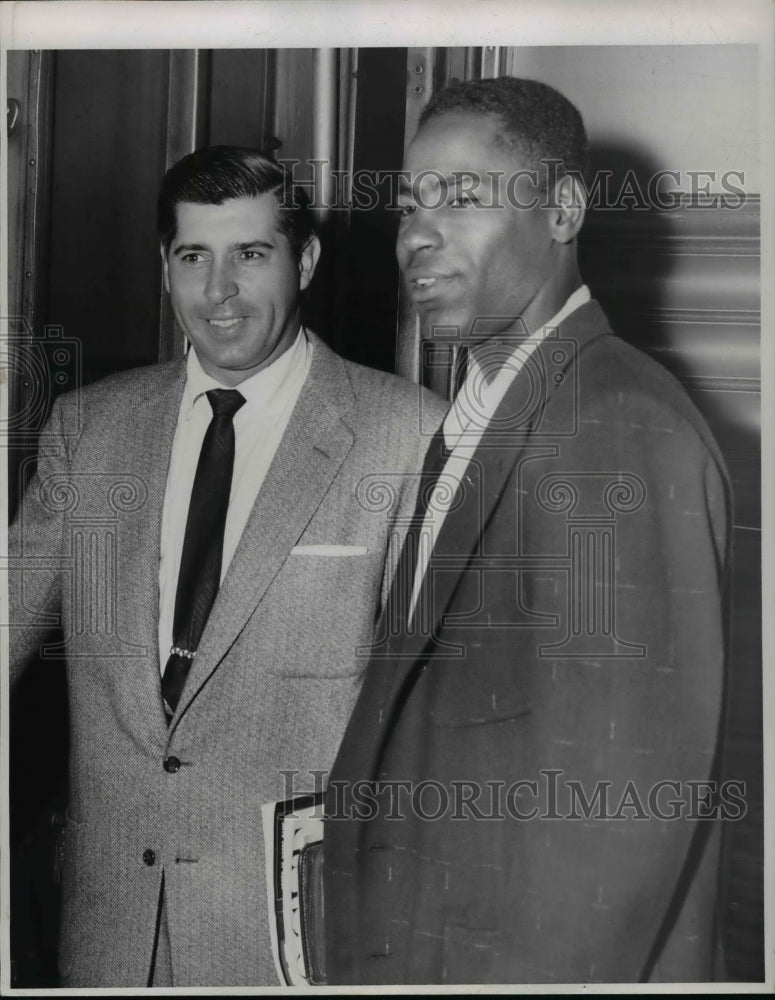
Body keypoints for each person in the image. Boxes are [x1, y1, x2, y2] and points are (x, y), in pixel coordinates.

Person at [7, 146, 447, 987]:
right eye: (193, 257)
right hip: (109, 935)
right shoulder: (89, 428)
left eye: (250, 255)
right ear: (163, 265)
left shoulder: (407, 435)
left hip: (295, 941)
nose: (219, 292)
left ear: (305, 260)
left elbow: (436, 724)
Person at [324, 77, 731, 984]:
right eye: (408, 206)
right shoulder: (472, 422)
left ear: (563, 211)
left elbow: (613, 823)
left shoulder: (610, 430)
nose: (417, 236)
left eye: (462, 198)